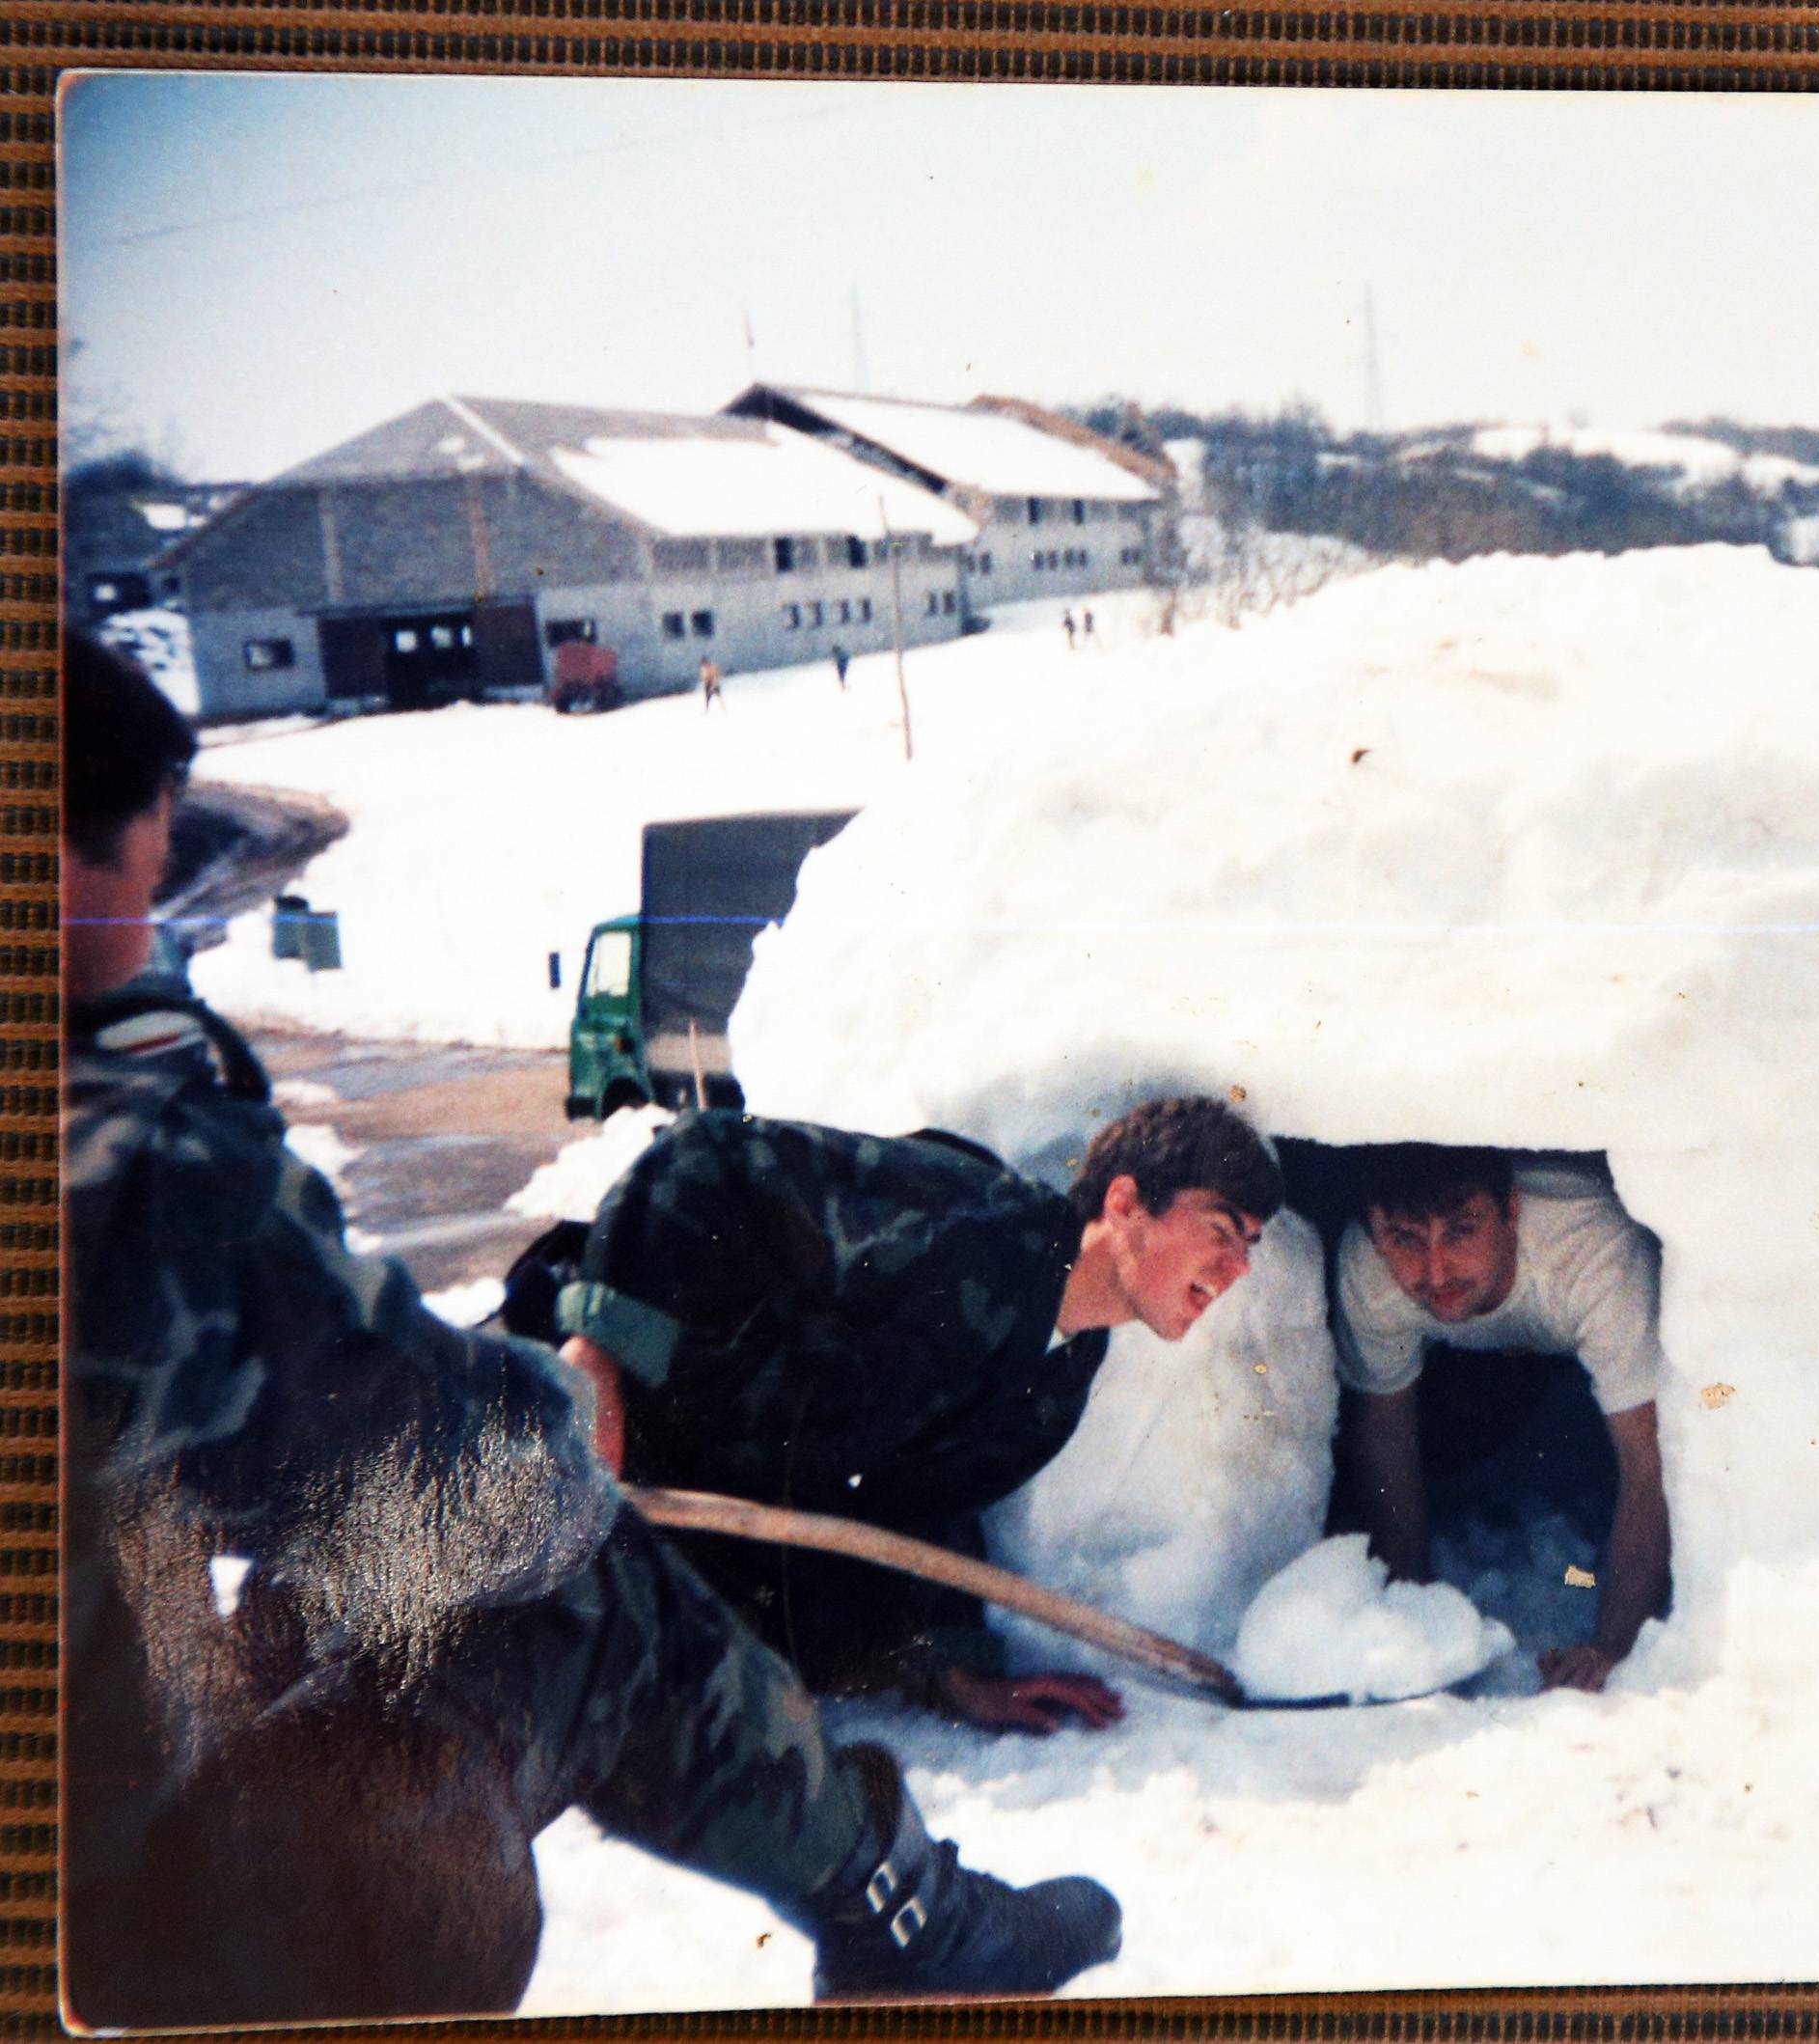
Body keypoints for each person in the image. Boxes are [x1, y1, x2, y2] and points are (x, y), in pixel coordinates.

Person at [61, 630, 1121, 2029]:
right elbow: (442, 1446)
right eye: (138, 899)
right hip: (119, 1932)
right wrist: (584, 1384)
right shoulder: (128, 1174)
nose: (148, 959)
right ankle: (905, 1916)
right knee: (580, 1588)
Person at [555, 1095, 1283, 1732]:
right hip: (574, 1434)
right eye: (1221, 1230)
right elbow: (707, 1150)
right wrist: (601, 1353)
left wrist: (953, 1669)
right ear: (1124, 1203)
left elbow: (910, 1506)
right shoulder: (968, 1216)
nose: (1240, 1267)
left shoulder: (1059, 1383)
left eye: (1248, 1245)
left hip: (676, 1533)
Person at [1332, 1144, 1672, 1693]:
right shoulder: (1368, 1265)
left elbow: (1647, 1456)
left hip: (1561, 1373)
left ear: (1511, 1210)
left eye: (1461, 1231)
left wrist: (1613, 1648)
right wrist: (1414, 1619)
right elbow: (1385, 1440)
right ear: (1375, 1228)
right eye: (1405, 1239)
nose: (1434, 1268)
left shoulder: (1592, 1249)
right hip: (1473, 1378)